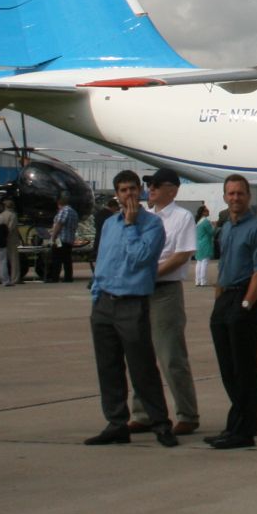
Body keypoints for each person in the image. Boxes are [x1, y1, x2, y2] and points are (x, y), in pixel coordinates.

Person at [84, 172, 175, 447]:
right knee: (108, 367)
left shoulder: (152, 225)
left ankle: (160, 423)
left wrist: (132, 225)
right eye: (123, 190)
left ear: (142, 191)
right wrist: (97, 294)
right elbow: (104, 260)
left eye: (133, 189)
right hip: (104, 302)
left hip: (132, 303)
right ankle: (116, 422)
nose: (129, 195)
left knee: (142, 367)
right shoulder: (110, 224)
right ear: (117, 194)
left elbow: (139, 259)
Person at [130, 167, 199, 436]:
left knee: (171, 355)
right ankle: (143, 412)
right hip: (140, 290)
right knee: (140, 354)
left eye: (157, 185)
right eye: (150, 185)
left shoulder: (181, 217)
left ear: (173, 189)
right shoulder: (145, 217)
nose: (152, 190)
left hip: (165, 291)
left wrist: (150, 274)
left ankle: (187, 413)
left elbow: (182, 255)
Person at [206, 175, 257, 449]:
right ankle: (234, 424)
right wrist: (219, 300)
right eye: (231, 194)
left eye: (240, 194)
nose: (235, 198)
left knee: (244, 367)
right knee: (227, 367)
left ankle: (244, 431)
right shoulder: (227, 228)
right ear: (225, 197)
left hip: (245, 298)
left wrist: (246, 304)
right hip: (225, 298)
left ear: (248, 196)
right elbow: (223, 268)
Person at [48, 195, 79, 283]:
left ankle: (54, 277)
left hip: (61, 239)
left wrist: (53, 237)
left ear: (59, 203)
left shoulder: (64, 211)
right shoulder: (74, 212)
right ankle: (68, 277)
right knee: (67, 259)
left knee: (56, 258)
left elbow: (59, 224)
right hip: (69, 239)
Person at [0, 196, 20, 286]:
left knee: (1, 260)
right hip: (11, 239)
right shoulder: (13, 215)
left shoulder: (1, 215)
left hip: (2, 239)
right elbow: (10, 227)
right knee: (13, 260)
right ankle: (14, 278)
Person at [193, 206, 215, 287]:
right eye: (207, 211)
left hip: (198, 243)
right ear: (203, 212)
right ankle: (203, 281)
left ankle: (197, 281)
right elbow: (212, 232)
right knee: (205, 262)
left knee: (199, 262)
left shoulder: (198, 222)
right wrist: (214, 226)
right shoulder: (205, 221)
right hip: (205, 243)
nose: (208, 212)